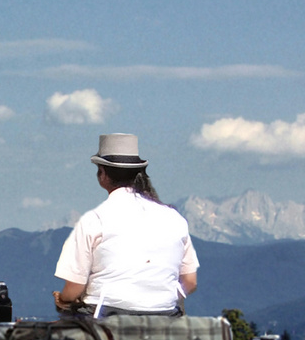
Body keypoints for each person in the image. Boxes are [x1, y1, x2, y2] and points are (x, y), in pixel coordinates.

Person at [53, 133, 198, 317]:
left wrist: (63, 300)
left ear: (103, 174)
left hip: (105, 318)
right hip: (165, 317)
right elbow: (190, 282)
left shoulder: (95, 220)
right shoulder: (175, 219)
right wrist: (162, 297)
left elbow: (74, 288)